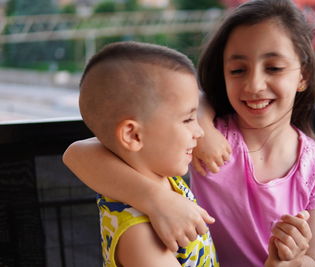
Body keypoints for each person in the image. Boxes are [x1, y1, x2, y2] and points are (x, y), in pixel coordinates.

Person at [63, 1, 315, 266]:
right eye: (238, 70)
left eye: (273, 67)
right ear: (221, 73)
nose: (254, 85)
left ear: (304, 75)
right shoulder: (202, 137)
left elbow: (314, 261)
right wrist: (158, 201)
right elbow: (77, 154)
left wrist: (292, 260)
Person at [66, 41, 219, 267]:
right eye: (188, 119)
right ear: (133, 136)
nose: (199, 131)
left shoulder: (158, 175)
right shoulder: (140, 236)